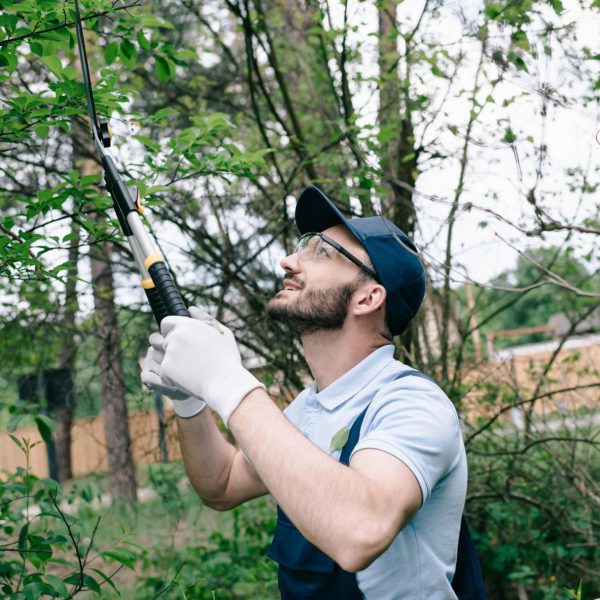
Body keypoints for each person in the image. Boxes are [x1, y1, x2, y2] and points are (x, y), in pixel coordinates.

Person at [141, 185, 468, 599]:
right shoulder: (310, 408)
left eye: (322, 252)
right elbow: (221, 484)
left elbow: (361, 529)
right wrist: (190, 401)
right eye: (302, 248)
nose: (290, 261)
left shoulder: (412, 404)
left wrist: (228, 382)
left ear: (368, 297)